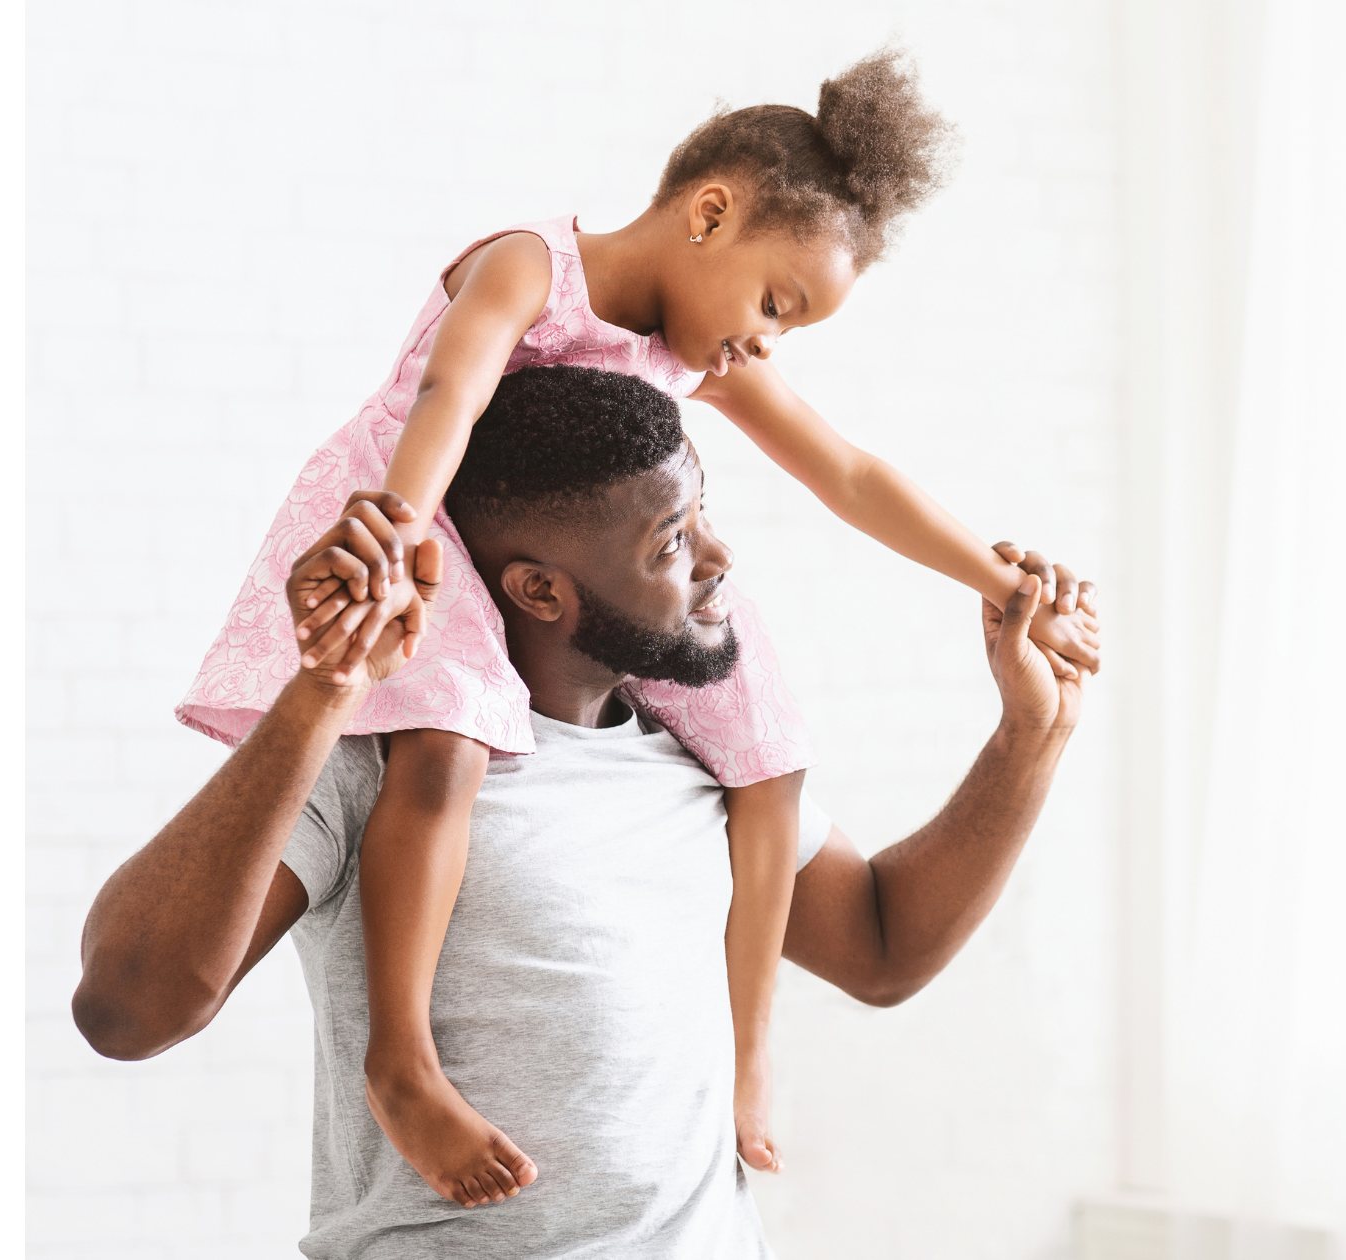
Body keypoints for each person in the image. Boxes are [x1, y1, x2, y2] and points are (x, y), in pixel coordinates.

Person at [173, 46, 1100, 1200]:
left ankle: (749, 1049)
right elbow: (449, 391)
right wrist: (404, 527)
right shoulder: (529, 265)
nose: (768, 342)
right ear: (709, 213)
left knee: (770, 750)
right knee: (448, 742)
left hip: (597, 570)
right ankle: (402, 1060)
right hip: (437, 525)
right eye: (776, 303)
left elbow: (849, 472)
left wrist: (998, 581)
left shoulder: (689, 356)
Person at [77, 364, 1096, 1255]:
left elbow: (881, 949)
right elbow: (127, 1010)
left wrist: (1030, 735)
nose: (718, 559)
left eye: (702, 515)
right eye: (669, 542)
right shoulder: (379, 771)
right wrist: (320, 691)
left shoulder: (699, 760)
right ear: (538, 590)